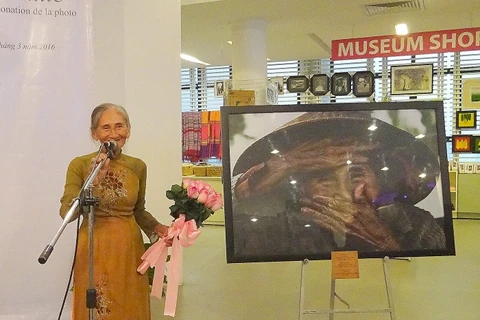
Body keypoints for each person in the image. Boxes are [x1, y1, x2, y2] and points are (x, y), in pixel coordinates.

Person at [230, 110, 446, 261]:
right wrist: (261, 180)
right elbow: (238, 234)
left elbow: (429, 278)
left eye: (357, 174)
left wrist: (386, 243)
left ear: (379, 180)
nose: (344, 193)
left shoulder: (417, 224)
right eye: (322, 177)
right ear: (301, 188)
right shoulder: (273, 231)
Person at [59, 103, 170, 319]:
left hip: (129, 247)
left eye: (119, 126)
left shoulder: (138, 166)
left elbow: (138, 210)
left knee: (128, 304)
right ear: (94, 133)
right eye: (106, 127)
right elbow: (67, 213)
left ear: (128, 130)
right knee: (97, 306)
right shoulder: (80, 165)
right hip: (94, 245)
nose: (114, 133)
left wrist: (158, 228)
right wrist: (91, 182)